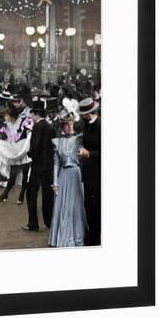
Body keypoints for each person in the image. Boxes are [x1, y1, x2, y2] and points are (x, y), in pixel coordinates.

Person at [48, 114, 87, 247]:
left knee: (76, 205)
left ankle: (77, 237)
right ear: (62, 127)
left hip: (76, 174)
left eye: (71, 124)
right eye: (66, 124)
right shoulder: (57, 142)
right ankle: (62, 237)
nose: (70, 127)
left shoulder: (78, 139)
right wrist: (55, 182)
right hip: (64, 175)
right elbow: (56, 164)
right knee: (63, 205)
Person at [23, 100, 55, 232]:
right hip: (49, 166)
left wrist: (29, 154)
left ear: (36, 113)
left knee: (31, 193)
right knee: (48, 195)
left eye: (32, 114)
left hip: (37, 166)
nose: (31, 116)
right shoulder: (50, 126)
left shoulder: (37, 127)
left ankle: (33, 223)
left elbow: (34, 147)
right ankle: (49, 223)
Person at [0, 106, 32, 204]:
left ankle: (22, 195)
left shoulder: (23, 121)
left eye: (6, 115)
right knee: (13, 173)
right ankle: (5, 195)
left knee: (25, 173)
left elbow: (31, 131)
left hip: (24, 150)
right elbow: (1, 135)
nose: (5, 118)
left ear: (12, 116)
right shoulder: (7, 125)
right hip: (14, 151)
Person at [78, 97, 101, 246]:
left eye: (83, 114)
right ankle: (90, 235)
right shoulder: (87, 124)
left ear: (89, 113)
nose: (81, 117)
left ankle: (95, 238)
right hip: (88, 173)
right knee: (88, 206)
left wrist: (89, 154)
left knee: (96, 207)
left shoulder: (100, 125)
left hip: (98, 174)